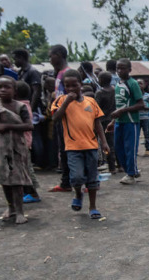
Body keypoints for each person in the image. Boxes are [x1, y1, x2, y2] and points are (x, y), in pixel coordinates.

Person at [51, 70, 109, 219]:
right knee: (76, 177)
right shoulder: (60, 101)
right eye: (67, 86)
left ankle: (93, 206)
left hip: (91, 146)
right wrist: (66, 102)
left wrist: (104, 142)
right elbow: (56, 118)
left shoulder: (91, 102)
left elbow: (98, 124)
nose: (70, 89)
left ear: (81, 84)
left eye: (74, 85)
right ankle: (78, 194)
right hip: (73, 148)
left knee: (92, 179)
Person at [0, 77, 33, 224]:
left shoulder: (20, 107)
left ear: (15, 91)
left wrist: (8, 127)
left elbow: (29, 126)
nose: (3, 90)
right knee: (4, 179)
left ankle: (20, 211)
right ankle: (10, 207)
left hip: (16, 148)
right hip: (0, 147)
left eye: (7, 87)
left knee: (17, 180)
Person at [108, 59, 144, 185]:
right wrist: (113, 121)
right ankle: (131, 170)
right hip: (119, 121)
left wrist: (122, 111)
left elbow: (141, 104)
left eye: (122, 68)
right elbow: (119, 105)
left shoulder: (132, 84)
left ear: (129, 70)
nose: (119, 71)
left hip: (130, 121)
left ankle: (131, 174)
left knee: (130, 148)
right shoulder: (118, 84)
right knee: (119, 148)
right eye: (118, 68)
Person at [47, 44, 74, 193]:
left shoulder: (67, 73)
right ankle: (66, 182)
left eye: (51, 55)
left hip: (67, 118)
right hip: (60, 116)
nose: (50, 59)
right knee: (63, 150)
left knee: (67, 150)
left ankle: (69, 181)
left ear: (59, 55)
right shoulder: (59, 73)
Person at [14, 81, 41, 204]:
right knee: (23, 168)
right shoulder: (24, 105)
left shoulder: (21, 107)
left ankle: (33, 193)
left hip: (22, 142)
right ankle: (27, 191)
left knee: (26, 168)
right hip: (22, 142)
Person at [95, 72, 117, 173]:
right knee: (114, 143)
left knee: (107, 144)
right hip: (114, 119)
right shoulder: (114, 90)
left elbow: (95, 108)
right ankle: (119, 165)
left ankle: (111, 167)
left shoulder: (100, 93)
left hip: (103, 121)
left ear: (101, 80)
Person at [139, 81, 149, 156]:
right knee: (135, 135)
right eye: (137, 83)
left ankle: (148, 149)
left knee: (147, 134)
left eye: (140, 83)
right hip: (136, 118)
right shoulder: (134, 96)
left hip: (145, 117)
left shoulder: (147, 96)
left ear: (144, 85)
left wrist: (144, 108)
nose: (139, 85)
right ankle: (135, 150)